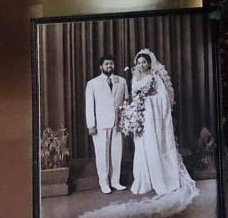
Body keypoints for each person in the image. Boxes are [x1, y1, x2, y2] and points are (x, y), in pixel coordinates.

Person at [125, 49, 199, 200]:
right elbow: (133, 96)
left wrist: (148, 100)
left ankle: (161, 179)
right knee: (142, 147)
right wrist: (135, 109)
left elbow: (163, 98)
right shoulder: (135, 79)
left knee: (153, 145)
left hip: (153, 118)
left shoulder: (155, 78)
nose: (141, 65)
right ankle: (145, 181)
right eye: (139, 63)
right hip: (140, 118)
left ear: (149, 64)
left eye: (144, 62)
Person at [85, 54, 128, 194]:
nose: (109, 66)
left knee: (117, 153)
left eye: (111, 64)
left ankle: (116, 181)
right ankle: (104, 183)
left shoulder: (121, 81)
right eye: (106, 64)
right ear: (101, 67)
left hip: (118, 123)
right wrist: (91, 125)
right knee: (102, 155)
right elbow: (89, 106)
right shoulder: (93, 83)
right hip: (100, 124)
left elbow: (126, 101)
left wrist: (126, 121)